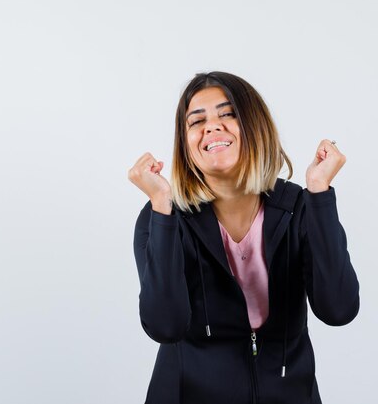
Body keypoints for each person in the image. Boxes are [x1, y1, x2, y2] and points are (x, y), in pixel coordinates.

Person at [128, 71, 360, 404]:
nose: (211, 126)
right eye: (196, 121)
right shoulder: (161, 217)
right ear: (186, 143)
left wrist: (319, 194)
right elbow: (165, 326)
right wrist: (163, 209)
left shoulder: (298, 208)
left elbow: (338, 309)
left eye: (228, 113)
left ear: (255, 126)